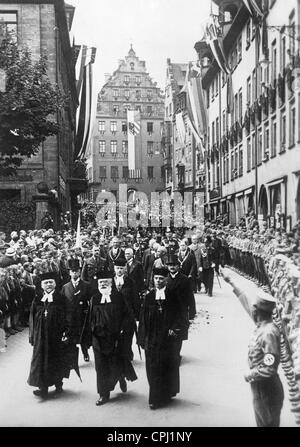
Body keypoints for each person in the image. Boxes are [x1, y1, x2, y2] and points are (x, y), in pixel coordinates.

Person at [83, 271, 137, 406]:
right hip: (98, 338)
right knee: (100, 367)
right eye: (101, 282)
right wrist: (88, 337)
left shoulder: (118, 297)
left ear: (111, 283)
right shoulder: (94, 299)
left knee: (115, 364)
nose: (103, 284)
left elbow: (127, 316)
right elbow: (89, 319)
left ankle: (120, 377)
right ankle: (103, 394)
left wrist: (124, 330)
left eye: (106, 282)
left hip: (115, 338)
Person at [138, 267, 187, 410]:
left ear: (166, 280)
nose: (158, 281)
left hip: (167, 339)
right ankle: (154, 398)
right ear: (153, 280)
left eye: (161, 279)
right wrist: (142, 338)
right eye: (156, 278)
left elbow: (180, 315)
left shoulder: (173, 296)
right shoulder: (148, 297)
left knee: (166, 367)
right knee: (152, 368)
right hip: (152, 339)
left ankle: (164, 395)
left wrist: (174, 329)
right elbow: (143, 319)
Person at [27, 271, 70, 399]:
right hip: (41, 336)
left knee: (56, 359)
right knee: (41, 361)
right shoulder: (37, 300)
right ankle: (43, 388)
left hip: (56, 335)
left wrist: (67, 332)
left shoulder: (62, 299)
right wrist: (33, 336)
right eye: (46, 283)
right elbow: (32, 318)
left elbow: (69, 316)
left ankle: (58, 384)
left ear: (55, 284)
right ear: (41, 285)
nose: (49, 285)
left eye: (51, 282)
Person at [244, 293, 284, 427]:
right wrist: (232, 284)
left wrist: (251, 374)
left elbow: (269, 368)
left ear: (257, 311)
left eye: (254, 309)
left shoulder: (268, 333)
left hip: (266, 388)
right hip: (260, 387)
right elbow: (245, 302)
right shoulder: (263, 326)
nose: (252, 311)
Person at [61, 259, 92, 362]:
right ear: (69, 273)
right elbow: (63, 304)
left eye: (77, 271)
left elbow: (90, 300)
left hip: (82, 315)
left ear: (79, 272)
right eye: (72, 271)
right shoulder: (65, 287)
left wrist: (88, 311)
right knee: (71, 337)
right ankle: (73, 358)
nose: (75, 273)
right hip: (70, 317)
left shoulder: (86, 285)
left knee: (83, 335)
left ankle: (85, 352)